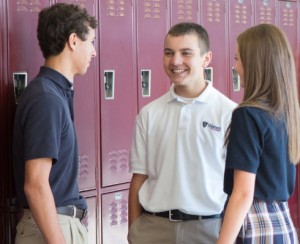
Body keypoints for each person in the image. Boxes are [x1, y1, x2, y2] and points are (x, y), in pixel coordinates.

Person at [128, 22, 237, 243]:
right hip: (152, 229)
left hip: (209, 229)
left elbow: (240, 186)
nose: (175, 61)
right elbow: (139, 178)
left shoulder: (230, 113)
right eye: (169, 53)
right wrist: (134, 230)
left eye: (186, 53)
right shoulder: (149, 113)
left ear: (206, 59)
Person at [12, 3, 97, 244]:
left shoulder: (54, 93)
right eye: (91, 41)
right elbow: (36, 184)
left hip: (56, 225)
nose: (93, 52)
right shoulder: (46, 98)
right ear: (73, 41)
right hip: (50, 229)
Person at [217, 24, 300, 243]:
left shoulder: (247, 115)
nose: (235, 67)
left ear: (254, 64)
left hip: (254, 225)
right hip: (282, 224)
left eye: (238, 58)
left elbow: (243, 194)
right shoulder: (287, 113)